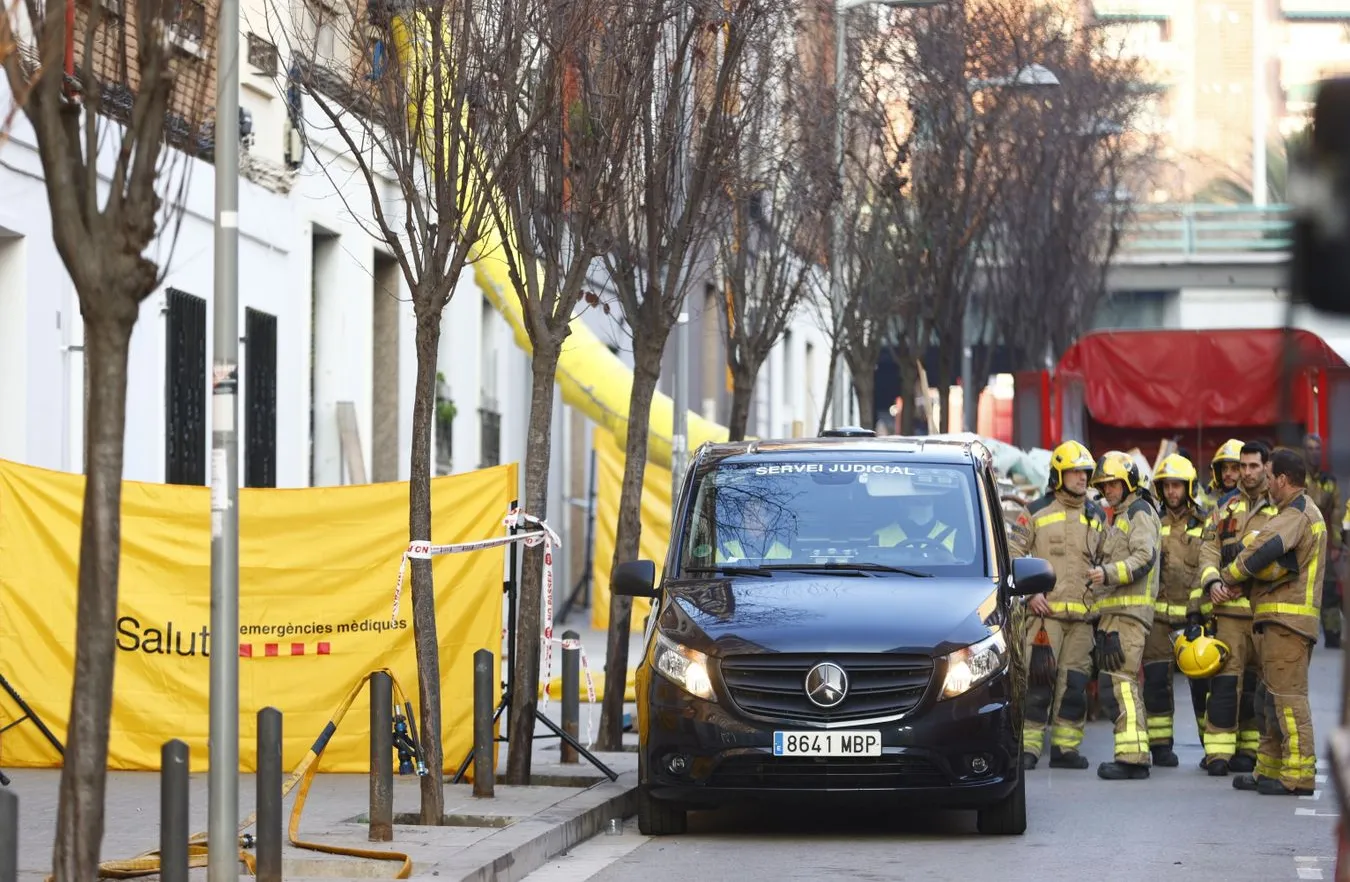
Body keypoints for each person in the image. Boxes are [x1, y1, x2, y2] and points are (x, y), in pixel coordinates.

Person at [1221, 447, 1326, 796]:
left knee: (1288, 700)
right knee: (1271, 701)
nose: (1266, 484)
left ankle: (1297, 777)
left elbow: (1264, 548)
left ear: (1282, 479)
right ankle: (1269, 769)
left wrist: (1231, 575)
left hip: (1288, 623)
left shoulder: (1297, 513)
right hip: (1278, 621)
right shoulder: (1292, 511)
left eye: (1268, 477)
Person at [1019, 440, 1109, 771]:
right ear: (1059, 474)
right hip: (1047, 618)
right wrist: (1030, 593)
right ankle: (1028, 747)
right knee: (1038, 684)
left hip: (1083, 620)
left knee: (1074, 687)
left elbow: (1107, 559)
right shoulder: (1035, 511)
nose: (1083, 478)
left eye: (1086, 473)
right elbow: (1013, 553)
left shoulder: (1097, 515)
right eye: (1075, 472)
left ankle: (1065, 749)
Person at [1192, 441, 1277, 776]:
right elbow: (1208, 549)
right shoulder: (1225, 507)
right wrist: (1213, 584)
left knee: (1256, 686)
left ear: (1267, 467)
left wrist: (1244, 583)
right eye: (1243, 466)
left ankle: (1250, 751)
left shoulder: (1280, 508)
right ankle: (1218, 753)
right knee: (1225, 685)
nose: (1246, 472)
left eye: (1254, 466)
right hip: (1226, 612)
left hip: (1262, 612)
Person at [1086, 451, 1162, 780]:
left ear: (1129, 480)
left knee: (1124, 684)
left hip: (1130, 614)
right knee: (1118, 684)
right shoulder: (1119, 515)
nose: (1108, 490)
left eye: (1113, 483)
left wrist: (1109, 573)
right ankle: (1130, 752)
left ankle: (1133, 757)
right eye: (1103, 486)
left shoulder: (1139, 512)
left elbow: (1144, 556)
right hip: (1115, 614)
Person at [1144, 453, 1208, 767]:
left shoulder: (1204, 523)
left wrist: (1198, 614)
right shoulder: (1152, 521)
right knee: (1156, 682)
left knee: (1201, 684)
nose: (1172, 492)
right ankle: (1160, 747)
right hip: (1157, 619)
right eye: (1167, 486)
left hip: (1192, 618)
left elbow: (1207, 568)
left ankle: (1212, 748)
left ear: (1189, 487)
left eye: (1177, 486)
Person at [1303, 433, 1342, 648]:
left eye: (1317, 448)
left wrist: (1336, 545)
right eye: (1310, 448)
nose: (1314, 452)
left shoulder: (1329, 482)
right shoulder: (1298, 478)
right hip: (1303, 541)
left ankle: (1333, 633)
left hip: (1325, 543)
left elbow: (1336, 513)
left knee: (1329, 590)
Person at [1201, 439, 1244, 509]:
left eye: (1234, 468)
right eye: (1224, 468)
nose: (1228, 473)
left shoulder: (1252, 501)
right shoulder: (1207, 499)